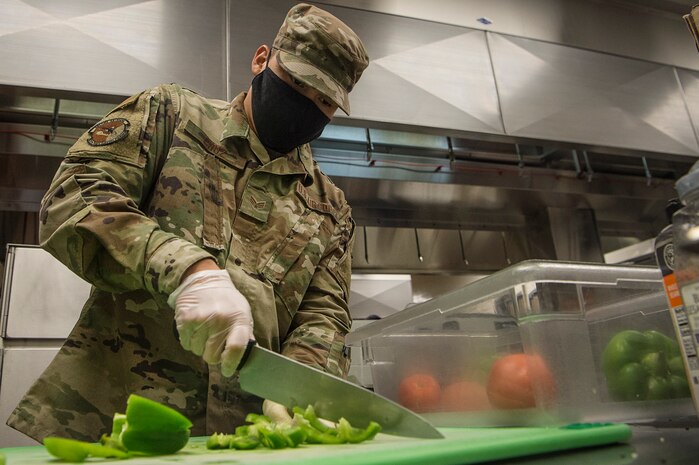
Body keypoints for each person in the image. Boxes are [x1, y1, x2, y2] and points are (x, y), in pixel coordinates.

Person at [7, 3, 369, 442]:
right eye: (297, 83)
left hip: (247, 439)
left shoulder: (331, 208)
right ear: (261, 60)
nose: (307, 105)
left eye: (325, 101)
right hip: (116, 423)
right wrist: (188, 272)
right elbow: (73, 195)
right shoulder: (171, 115)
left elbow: (324, 315)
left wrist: (301, 385)